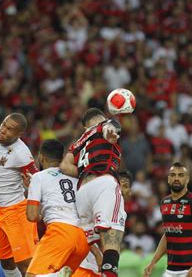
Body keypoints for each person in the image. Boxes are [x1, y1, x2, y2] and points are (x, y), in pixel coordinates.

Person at [60, 108, 125, 277]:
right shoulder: (104, 126)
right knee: (112, 234)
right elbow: (111, 128)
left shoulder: (77, 143)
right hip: (103, 181)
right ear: (101, 119)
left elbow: (64, 167)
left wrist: (85, 169)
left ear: (84, 126)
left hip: (82, 192)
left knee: (89, 240)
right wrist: (110, 130)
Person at [0, 113, 39, 276]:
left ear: (19, 134)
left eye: (9, 129)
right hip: (0, 211)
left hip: (16, 212)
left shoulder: (21, 153)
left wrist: (31, 186)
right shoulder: (0, 137)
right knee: (6, 261)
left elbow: (37, 178)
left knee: (25, 264)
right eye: (3, 125)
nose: (3, 130)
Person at [26, 139, 89, 276]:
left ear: (41, 157)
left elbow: (31, 215)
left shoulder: (38, 177)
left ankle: (56, 276)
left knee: (32, 275)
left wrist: (40, 215)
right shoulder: (75, 177)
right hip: (82, 238)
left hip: (61, 232)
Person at [144, 162, 192, 277]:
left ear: (187, 179)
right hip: (171, 270)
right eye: (173, 175)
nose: (176, 178)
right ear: (168, 179)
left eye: (180, 175)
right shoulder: (164, 203)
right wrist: (153, 262)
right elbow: (168, 234)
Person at [73, 171, 133, 277]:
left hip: (98, 266)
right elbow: (80, 228)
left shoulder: (121, 211)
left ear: (130, 192)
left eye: (125, 186)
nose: (121, 189)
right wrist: (97, 255)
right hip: (84, 264)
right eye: (119, 184)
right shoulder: (101, 202)